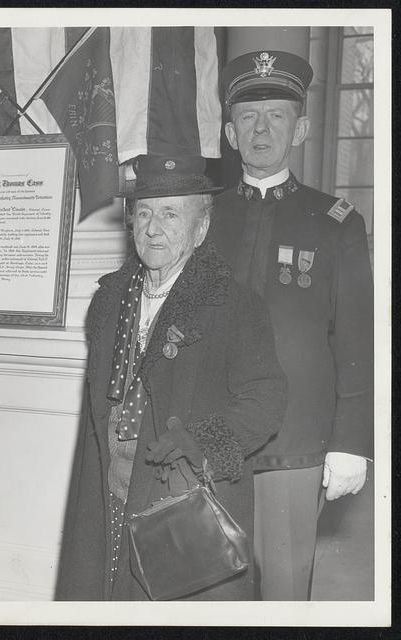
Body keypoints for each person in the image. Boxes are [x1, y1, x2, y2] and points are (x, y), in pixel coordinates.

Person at [56, 155, 287, 601]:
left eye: (170, 213)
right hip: (109, 489)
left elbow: (267, 398)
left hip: (180, 496)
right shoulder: (108, 301)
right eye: (143, 212)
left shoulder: (234, 305)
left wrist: (205, 442)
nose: (153, 228)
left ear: (200, 229)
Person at [210, 50, 374, 600]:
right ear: (229, 134)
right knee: (208, 591)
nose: (262, 129)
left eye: (277, 116)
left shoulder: (336, 224)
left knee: (281, 595)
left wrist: (351, 441)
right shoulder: (202, 219)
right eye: (248, 118)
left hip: (294, 441)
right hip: (212, 437)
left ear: (300, 129)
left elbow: (356, 339)